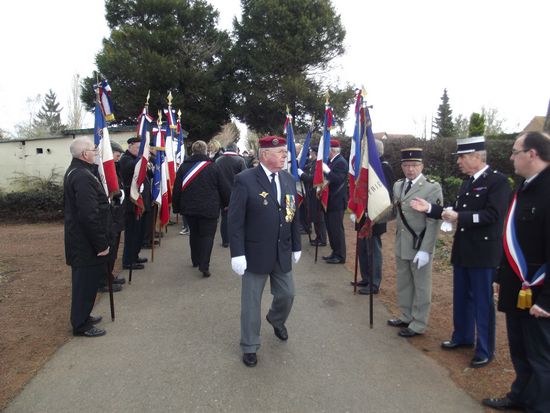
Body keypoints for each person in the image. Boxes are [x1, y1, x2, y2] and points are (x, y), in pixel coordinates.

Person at [411, 136, 510, 368]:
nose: (459, 162)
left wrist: (460, 217)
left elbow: (494, 215)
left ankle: (485, 348)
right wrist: (431, 209)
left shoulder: (498, 182)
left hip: (484, 252)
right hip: (464, 249)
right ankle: (463, 336)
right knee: (462, 296)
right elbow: (455, 210)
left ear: (477, 157)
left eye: (462, 157)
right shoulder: (468, 183)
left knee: (482, 302)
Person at [482, 132, 550, 412]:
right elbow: (512, 237)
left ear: (532, 154)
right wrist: (501, 277)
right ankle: (520, 396)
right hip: (517, 286)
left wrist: (547, 300)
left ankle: (540, 405)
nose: (511, 157)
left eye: (515, 151)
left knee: (541, 358)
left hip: (540, 292)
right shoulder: (524, 187)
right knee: (519, 351)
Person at [228, 135, 302, 367]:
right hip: (255, 252)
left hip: (282, 250)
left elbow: (292, 214)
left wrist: (297, 245)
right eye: (280, 152)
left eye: (284, 153)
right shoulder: (245, 180)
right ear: (264, 155)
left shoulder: (289, 179)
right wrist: (237, 253)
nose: (284, 156)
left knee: (288, 294)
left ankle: (276, 319)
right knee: (251, 302)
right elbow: (235, 219)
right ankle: (250, 345)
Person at [387, 148, 442, 337]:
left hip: (420, 245)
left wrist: (426, 250)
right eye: (407, 165)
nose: (411, 169)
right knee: (404, 281)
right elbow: (394, 211)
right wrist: (371, 216)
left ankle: (418, 323)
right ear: (402, 166)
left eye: (415, 165)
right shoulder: (398, 186)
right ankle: (406, 315)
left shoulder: (431, 187)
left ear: (422, 166)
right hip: (402, 242)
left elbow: (434, 221)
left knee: (421, 285)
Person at [63, 137, 110, 337]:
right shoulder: (82, 176)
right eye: (93, 150)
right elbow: (89, 214)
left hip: (83, 240)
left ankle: (84, 315)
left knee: (88, 283)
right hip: (85, 242)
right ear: (84, 154)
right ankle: (81, 324)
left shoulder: (80, 172)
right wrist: (101, 244)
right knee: (84, 283)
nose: (96, 152)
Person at [172, 140, 231, 277]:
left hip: (189, 208)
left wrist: (176, 207)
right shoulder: (214, 167)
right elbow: (224, 188)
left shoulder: (183, 167)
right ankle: (204, 265)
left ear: (193, 151)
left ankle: (195, 260)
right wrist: (227, 203)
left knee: (194, 234)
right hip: (209, 208)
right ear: (205, 151)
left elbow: (177, 189)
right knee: (207, 236)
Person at [351, 139, 395, 295]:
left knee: (373, 250)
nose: (362, 152)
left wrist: (375, 212)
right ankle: (366, 277)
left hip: (376, 215)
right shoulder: (367, 168)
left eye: (365, 149)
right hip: (364, 214)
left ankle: (374, 283)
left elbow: (387, 194)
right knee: (362, 248)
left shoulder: (384, 168)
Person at [98, 141, 126, 293]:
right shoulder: (102, 169)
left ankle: (109, 276)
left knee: (114, 249)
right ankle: (103, 281)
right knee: (108, 249)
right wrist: (118, 193)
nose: (118, 158)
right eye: (116, 155)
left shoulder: (116, 167)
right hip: (110, 215)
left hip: (116, 215)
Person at [118, 137, 148, 269]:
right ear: (130, 146)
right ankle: (128, 260)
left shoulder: (136, 158)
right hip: (131, 203)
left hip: (139, 201)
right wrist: (142, 158)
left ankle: (134, 256)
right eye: (138, 148)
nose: (139, 151)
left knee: (139, 232)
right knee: (131, 233)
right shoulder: (125, 158)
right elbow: (130, 168)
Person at [321, 139, 348, 264]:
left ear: (332, 150)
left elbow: (338, 179)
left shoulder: (340, 162)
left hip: (336, 201)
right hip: (330, 200)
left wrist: (327, 171)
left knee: (337, 230)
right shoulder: (332, 161)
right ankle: (334, 252)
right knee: (331, 229)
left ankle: (340, 255)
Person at [215, 142, 247, 247]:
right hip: (237, 192)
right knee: (238, 217)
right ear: (235, 149)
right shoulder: (240, 160)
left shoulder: (218, 160)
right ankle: (237, 240)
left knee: (224, 217)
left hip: (221, 193)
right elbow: (245, 177)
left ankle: (225, 241)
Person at [298, 146, 327, 246]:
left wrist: (301, 175)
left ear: (315, 153)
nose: (310, 153)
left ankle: (322, 239)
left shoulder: (318, 164)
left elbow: (312, 179)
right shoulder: (312, 163)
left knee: (319, 217)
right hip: (312, 193)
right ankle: (318, 237)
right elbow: (307, 169)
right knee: (315, 216)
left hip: (317, 193)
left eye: (311, 152)